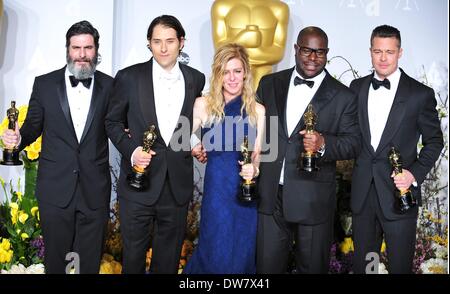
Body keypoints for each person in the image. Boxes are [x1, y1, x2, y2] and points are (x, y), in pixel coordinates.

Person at [1, 20, 113, 274]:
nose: (82, 55)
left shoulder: (110, 85)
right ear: (67, 49)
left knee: (88, 265)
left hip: (94, 191)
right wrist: (18, 140)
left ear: (96, 49)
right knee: (56, 264)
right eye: (76, 48)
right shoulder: (44, 84)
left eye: (88, 48)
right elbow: (32, 128)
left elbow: (118, 128)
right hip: (55, 190)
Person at [255, 26, 361, 274]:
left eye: (320, 52)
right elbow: (254, 129)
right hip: (271, 197)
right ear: (295, 49)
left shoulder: (343, 96)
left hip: (313, 199)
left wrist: (324, 144)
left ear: (327, 53)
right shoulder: (270, 83)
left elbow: (354, 142)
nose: (313, 58)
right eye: (307, 51)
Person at [105, 15, 205, 274]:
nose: (163, 48)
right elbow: (112, 122)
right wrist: (133, 151)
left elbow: (187, 123)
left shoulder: (196, 78)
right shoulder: (129, 77)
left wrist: (194, 141)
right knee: (133, 259)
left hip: (176, 186)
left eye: (170, 41)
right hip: (139, 184)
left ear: (181, 43)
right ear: (148, 43)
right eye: (156, 41)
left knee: (168, 262)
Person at [349, 25, 443, 274]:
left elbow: (435, 141)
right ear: (370, 51)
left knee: (400, 267)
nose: (383, 58)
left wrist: (413, 174)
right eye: (377, 51)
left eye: (389, 52)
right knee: (365, 267)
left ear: (400, 52)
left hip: (399, 196)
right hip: (364, 196)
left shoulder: (419, 95)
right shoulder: (356, 88)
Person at [183, 43, 265, 274]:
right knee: (213, 252)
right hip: (216, 194)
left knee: (242, 254)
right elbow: (182, 134)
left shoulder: (259, 111)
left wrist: (254, 171)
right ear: (217, 74)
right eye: (225, 72)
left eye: (237, 71)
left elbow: (262, 155)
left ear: (246, 73)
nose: (231, 78)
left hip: (245, 195)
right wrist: (195, 145)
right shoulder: (203, 105)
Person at [211, 0, 289, 88]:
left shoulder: (279, 8)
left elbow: (278, 53)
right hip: (231, 79)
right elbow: (219, 48)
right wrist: (241, 39)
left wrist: (241, 47)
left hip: (263, 79)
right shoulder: (221, 6)